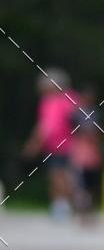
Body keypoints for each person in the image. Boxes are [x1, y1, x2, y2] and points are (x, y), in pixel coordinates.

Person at [23, 68, 80, 219]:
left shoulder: (57, 100)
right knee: (61, 176)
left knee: (59, 176)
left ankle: (63, 206)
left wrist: (34, 143)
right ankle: (63, 205)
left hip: (64, 146)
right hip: (57, 145)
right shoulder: (65, 99)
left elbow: (47, 126)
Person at [70, 86, 103, 219]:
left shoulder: (96, 112)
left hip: (93, 153)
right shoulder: (76, 113)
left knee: (93, 185)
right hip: (80, 152)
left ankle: (91, 211)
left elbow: (99, 131)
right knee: (80, 184)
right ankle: (81, 212)